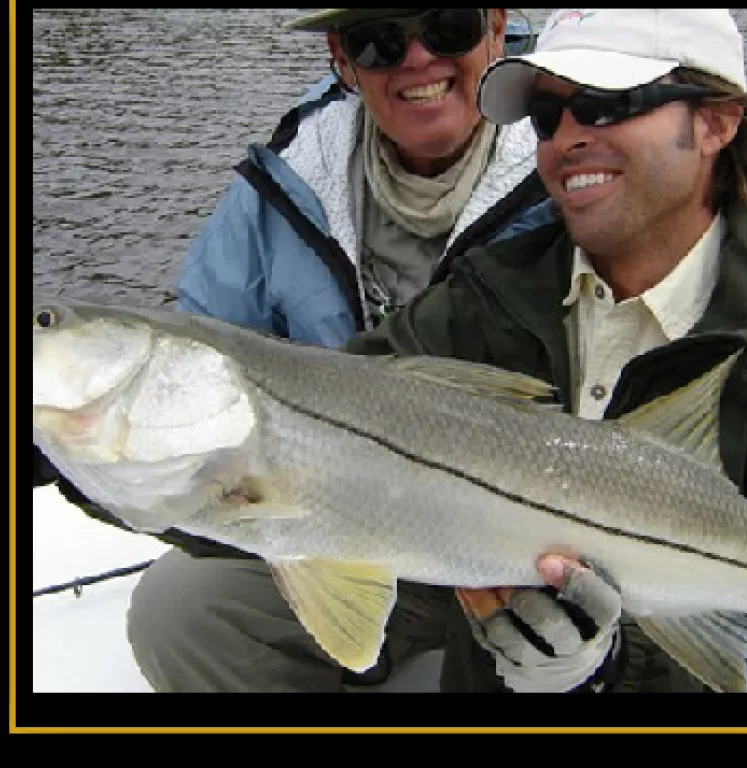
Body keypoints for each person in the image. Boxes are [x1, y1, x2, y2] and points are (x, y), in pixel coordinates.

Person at [33, 8, 553, 692]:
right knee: (182, 612)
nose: (418, 59)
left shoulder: (578, 149)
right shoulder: (284, 182)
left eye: (450, 24)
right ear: (342, 57)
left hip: (540, 540)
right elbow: (194, 377)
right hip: (342, 522)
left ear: (496, 25)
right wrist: (69, 450)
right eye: (380, 40)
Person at [343, 7, 747, 692]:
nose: (566, 139)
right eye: (548, 115)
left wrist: (608, 670)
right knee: (193, 603)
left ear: (716, 122)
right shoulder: (487, 294)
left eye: (607, 105)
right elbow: (324, 406)